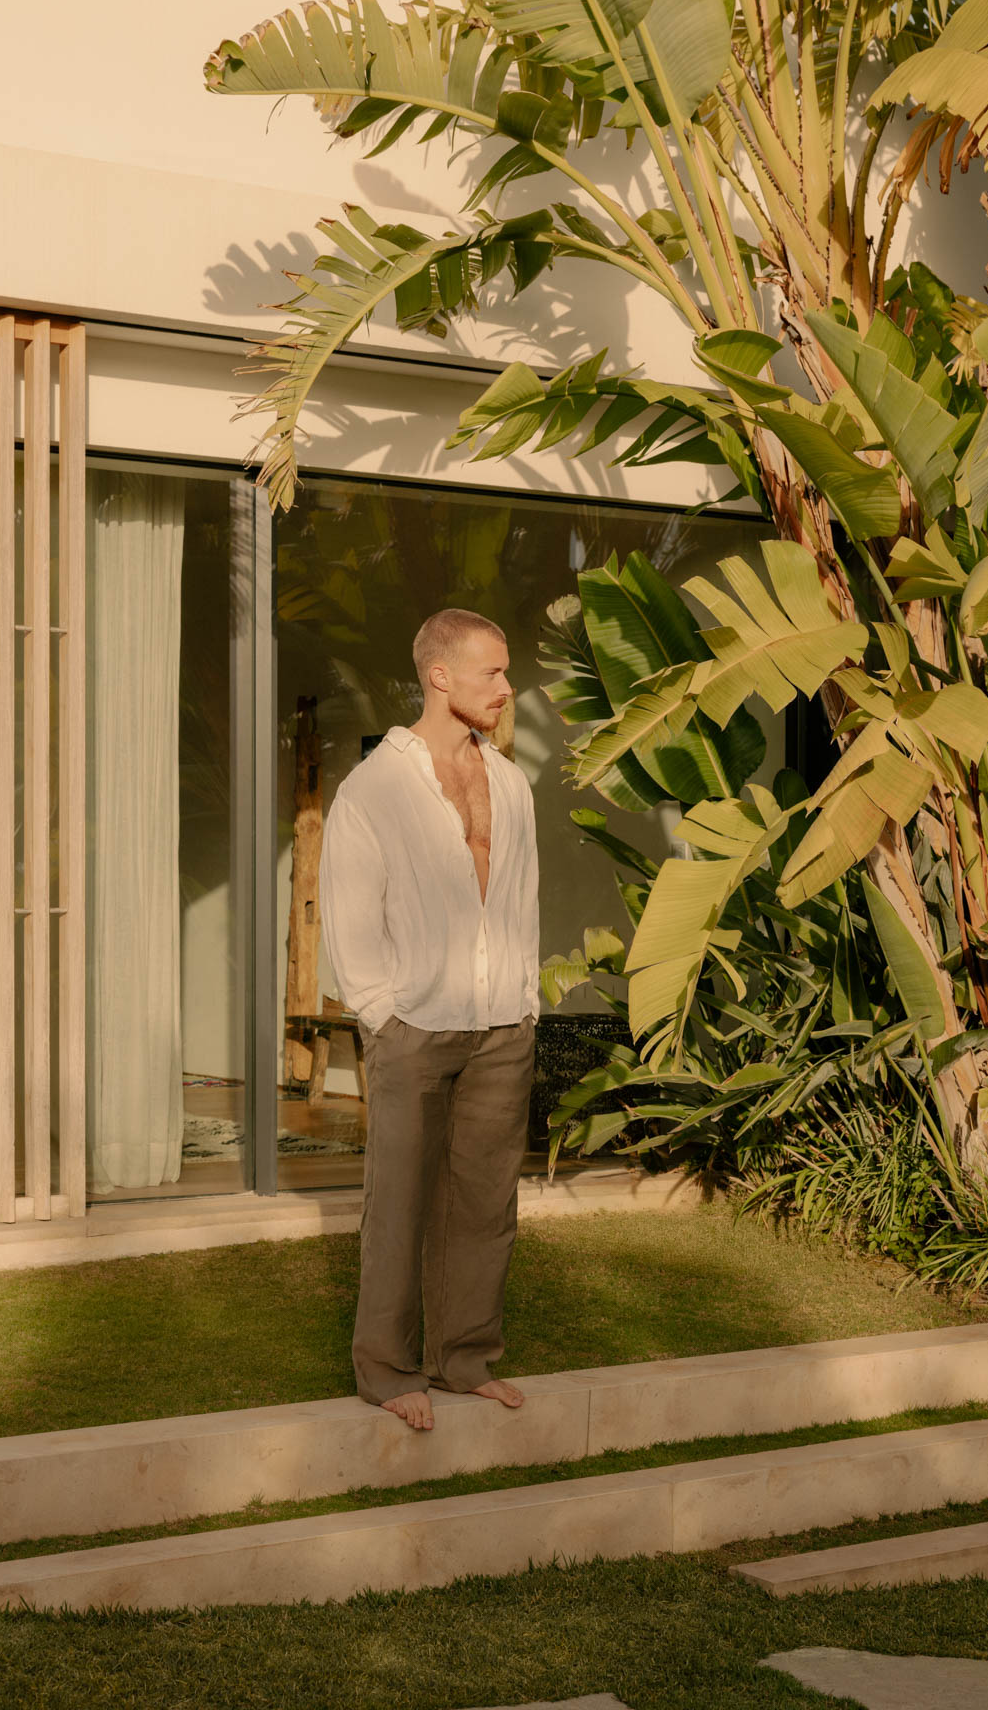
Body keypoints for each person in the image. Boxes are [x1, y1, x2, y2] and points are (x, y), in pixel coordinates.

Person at [319, 608, 540, 1432]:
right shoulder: (374, 788)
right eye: (491, 672)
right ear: (439, 675)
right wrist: (384, 1016)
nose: (506, 687)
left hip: (501, 1025)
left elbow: (520, 901)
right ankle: (386, 1369)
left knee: (485, 1205)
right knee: (400, 1203)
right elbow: (348, 915)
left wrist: (524, 1001)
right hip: (414, 1025)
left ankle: (464, 1358)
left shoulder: (510, 783)